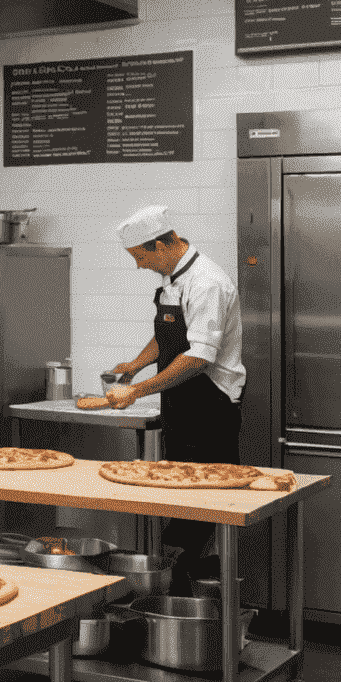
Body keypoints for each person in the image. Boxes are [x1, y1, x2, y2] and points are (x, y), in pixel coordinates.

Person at [104, 205, 245, 593]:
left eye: (141, 257)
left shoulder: (206, 283)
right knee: (180, 496)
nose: (139, 266)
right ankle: (177, 596)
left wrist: (137, 390)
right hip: (180, 406)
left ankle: (199, 603)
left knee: (202, 504)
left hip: (210, 407)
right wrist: (135, 365)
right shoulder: (173, 279)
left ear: (163, 244)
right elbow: (168, 336)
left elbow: (199, 357)